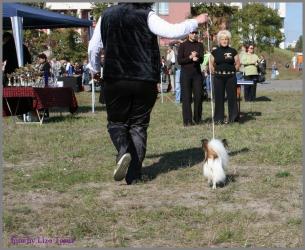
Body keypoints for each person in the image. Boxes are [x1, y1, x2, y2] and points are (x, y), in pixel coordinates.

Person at [88, 2, 208, 185]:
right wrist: (196, 21)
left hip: (115, 77)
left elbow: (94, 47)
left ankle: (123, 149)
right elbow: (172, 31)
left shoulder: (106, 15)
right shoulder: (146, 14)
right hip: (144, 79)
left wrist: (95, 69)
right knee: (138, 125)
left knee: (117, 123)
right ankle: (134, 175)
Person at [209, 30, 240, 124]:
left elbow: (238, 63)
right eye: (222, 39)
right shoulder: (214, 52)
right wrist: (214, 72)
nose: (224, 41)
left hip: (230, 77)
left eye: (226, 39)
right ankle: (219, 119)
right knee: (219, 98)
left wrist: (234, 70)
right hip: (218, 77)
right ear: (219, 40)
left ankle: (233, 118)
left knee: (232, 97)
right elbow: (211, 64)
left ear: (228, 40)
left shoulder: (233, 51)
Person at [177, 29, 204, 126]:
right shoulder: (183, 45)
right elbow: (179, 61)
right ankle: (187, 121)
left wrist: (197, 58)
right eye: (193, 33)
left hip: (197, 74)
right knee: (186, 98)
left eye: (196, 33)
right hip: (185, 75)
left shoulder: (199, 45)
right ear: (189, 34)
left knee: (198, 97)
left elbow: (202, 60)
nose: (194, 34)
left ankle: (197, 119)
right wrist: (190, 57)